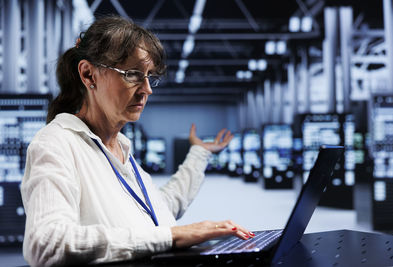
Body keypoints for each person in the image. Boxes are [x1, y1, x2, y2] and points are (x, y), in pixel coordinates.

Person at [21, 15, 254, 267]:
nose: (147, 89)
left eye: (149, 76)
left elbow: (156, 211)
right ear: (89, 75)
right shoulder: (57, 143)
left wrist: (199, 154)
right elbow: (46, 243)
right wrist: (172, 236)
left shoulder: (120, 148)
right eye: (132, 74)